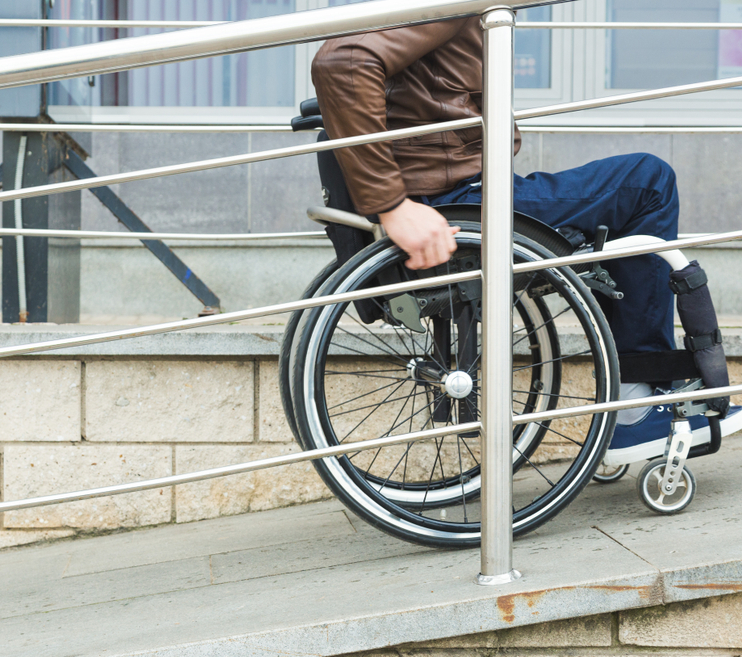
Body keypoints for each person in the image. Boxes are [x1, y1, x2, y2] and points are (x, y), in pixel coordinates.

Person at [309, 16, 741, 456]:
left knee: (630, 191)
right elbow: (343, 62)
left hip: (456, 188)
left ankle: (636, 396)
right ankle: (633, 407)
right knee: (648, 183)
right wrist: (394, 206)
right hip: (458, 199)